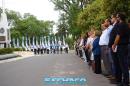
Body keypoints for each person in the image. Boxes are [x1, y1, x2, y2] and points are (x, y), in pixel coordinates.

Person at [112, 13, 129, 86]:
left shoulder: (121, 25)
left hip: (122, 46)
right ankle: (125, 81)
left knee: (123, 64)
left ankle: (125, 82)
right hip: (125, 46)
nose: (117, 18)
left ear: (120, 18)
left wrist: (114, 45)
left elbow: (118, 36)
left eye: (117, 17)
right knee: (124, 64)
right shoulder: (126, 24)